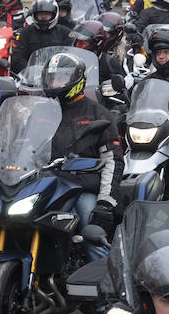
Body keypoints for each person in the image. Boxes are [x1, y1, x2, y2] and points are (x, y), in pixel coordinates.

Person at [40, 52, 122, 262]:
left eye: (61, 78)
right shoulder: (42, 112)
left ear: (76, 79)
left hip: (82, 188)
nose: (56, 82)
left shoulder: (98, 114)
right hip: (47, 185)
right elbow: (25, 146)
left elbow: (112, 161)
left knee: (91, 227)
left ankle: (105, 280)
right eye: (53, 77)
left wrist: (105, 202)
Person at [8, 0, 70, 74]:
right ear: (35, 15)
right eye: (40, 14)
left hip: (57, 75)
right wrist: (29, 70)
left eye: (47, 14)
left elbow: (69, 56)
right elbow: (18, 55)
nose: (43, 17)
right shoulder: (26, 32)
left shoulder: (65, 32)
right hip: (30, 77)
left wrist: (57, 71)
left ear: (54, 15)